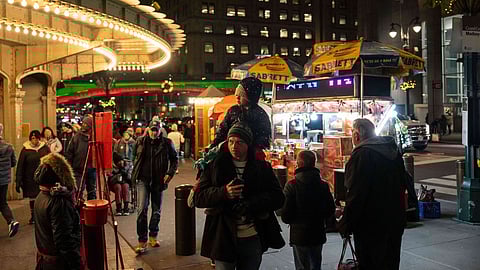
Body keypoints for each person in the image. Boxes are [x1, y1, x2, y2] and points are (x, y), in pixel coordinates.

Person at [194, 122, 285, 269]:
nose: (234, 146)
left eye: (239, 142)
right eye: (231, 142)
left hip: (252, 236)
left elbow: (278, 197)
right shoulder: (215, 165)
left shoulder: (262, 167)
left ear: (248, 144)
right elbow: (199, 198)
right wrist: (223, 192)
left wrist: (252, 204)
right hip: (223, 236)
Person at [337, 118, 406, 269]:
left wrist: (346, 223)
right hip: (394, 220)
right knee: (391, 262)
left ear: (356, 136)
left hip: (371, 224)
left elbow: (356, 194)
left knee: (371, 263)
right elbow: (405, 182)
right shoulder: (393, 152)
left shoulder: (361, 156)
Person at [281, 150, 335, 270]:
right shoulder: (323, 185)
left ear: (298, 163)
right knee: (316, 264)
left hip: (299, 235)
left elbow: (285, 215)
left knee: (301, 265)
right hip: (317, 232)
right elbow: (330, 209)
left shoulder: (292, 185)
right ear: (314, 163)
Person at [131, 118, 178, 253]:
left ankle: (153, 235)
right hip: (143, 180)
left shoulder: (167, 143)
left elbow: (174, 160)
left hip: (158, 181)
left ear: (159, 131)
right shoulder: (140, 141)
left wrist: (169, 173)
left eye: (156, 130)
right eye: (152, 130)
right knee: (142, 209)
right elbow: (134, 157)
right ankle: (142, 240)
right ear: (148, 130)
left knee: (156, 210)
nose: (153, 132)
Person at [33, 153, 81, 270]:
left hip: (45, 260)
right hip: (58, 263)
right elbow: (64, 239)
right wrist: (76, 263)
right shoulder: (58, 202)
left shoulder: (41, 196)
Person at [211, 77, 271, 151]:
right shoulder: (233, 111)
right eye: (236, 94)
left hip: (251, 156)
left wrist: (253, 149)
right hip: (231, 151)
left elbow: (264, 138)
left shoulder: (260, 114)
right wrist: (214, 146)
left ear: (250, 97)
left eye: (241, 95)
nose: (237, 97)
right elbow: (222, 131)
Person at [16, 130, 50, 224]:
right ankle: (33, 216)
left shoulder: (44, 148)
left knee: (43, 196)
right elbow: (20, 165)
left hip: (43, 176)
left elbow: (51, 161)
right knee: (32, 198)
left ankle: (42, 215)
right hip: (29, 178)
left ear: (39, 139)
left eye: (36, 138)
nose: (34, 140)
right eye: (32, 138)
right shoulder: (25, 150)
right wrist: (18, 180)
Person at [65, 115, 97, 200]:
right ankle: (79, 210)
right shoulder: (76, 138)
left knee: (92, 191)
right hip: (79, 168)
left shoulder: (95, 137)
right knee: (78, 190)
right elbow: (69, 154)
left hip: (92, 168)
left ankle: (91, 209)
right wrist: (70, 167)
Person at [0, 123, 20, 237]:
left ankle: (11, 221)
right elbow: (13, 163)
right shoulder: (9, 147)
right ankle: (11, 221)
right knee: (2, 202)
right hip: (4, 179)